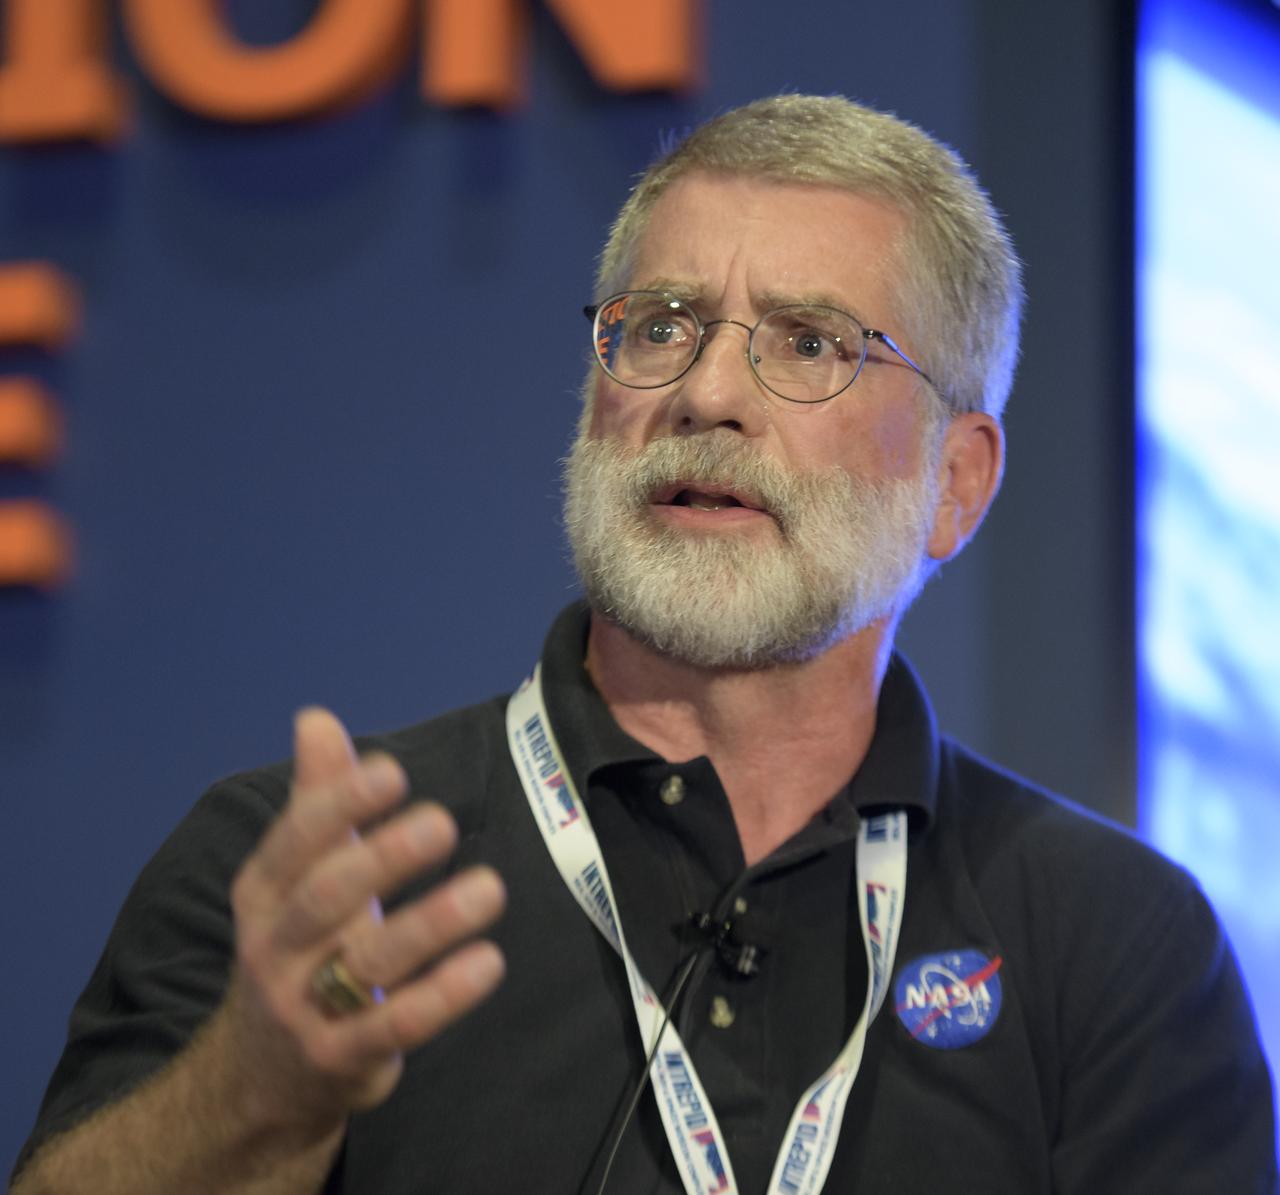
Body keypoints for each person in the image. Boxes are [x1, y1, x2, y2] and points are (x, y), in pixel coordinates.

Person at [11, 94, 1277, 1195]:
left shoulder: (1110, 941)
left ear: (955, 480)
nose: (703, 392)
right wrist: (254, 1091)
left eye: (808, 344)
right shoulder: (318, 874)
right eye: (660, 323)